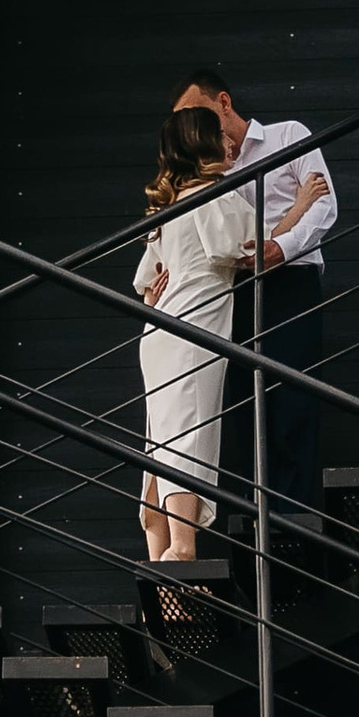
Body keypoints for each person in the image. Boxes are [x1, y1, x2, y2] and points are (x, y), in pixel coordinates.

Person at [156, 64, 336, 544]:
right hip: (230, 292)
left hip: (290, 282)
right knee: (242, 407)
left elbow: (325, 204)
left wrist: (282, 247)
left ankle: (291, 526)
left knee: (292, 400)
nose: (191, 126)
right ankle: (255, 525)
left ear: (223, 102)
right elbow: (226, 244)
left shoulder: (287, 136)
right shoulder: (207, 171)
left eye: (196, 112)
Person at [132, 102, 257, 565]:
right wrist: (301, 207)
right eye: (219, 135)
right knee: (189, 434)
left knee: (158, 441)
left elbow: (146, 284)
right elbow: (252, 251)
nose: (229, 142)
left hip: (160, 330)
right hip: (195, 330)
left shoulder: (167, 207)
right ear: (204, 145)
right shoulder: (214, 195)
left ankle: (160, 564)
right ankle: (182, 551)